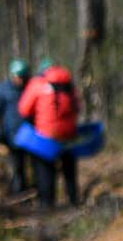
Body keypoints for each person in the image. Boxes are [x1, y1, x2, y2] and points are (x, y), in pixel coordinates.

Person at [14, 62, 85, 207]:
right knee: (69, 171)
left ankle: (47, 205)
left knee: (45, 171)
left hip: (46, 136)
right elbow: (78, 107)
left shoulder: (37, 84)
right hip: (69, 135)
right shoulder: (69, 85)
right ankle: (74, 201)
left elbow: (24, 109)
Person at [0, 60, 34, 196]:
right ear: (12, 75)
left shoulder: (31, 88)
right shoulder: (2, 90)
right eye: (18, 76)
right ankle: (19, 193)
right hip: (12, 136)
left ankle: (35, 191)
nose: (20, 80)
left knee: (34, 166)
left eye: (23, 77)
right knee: (17, 166)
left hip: (32, 135)